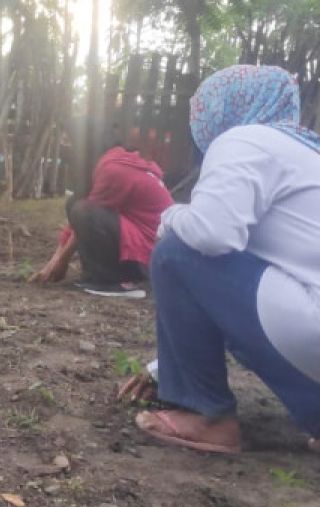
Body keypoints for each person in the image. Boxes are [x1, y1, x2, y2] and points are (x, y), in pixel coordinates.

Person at [118, 65, 320, 455]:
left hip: (310, 325)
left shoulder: (243, 139)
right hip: (306, 325)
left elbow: (212, 235)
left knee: (178, 251)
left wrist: (170, 217)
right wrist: (165, 366)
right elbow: (239, 291)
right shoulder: (305, 150)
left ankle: (207, 417)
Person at [30, 140, 172, 297]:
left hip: (149, 258)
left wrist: (62, 261)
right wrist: (54, 261)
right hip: (144, 245)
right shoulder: (117, 162)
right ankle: (95, 275)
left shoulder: (112, 171)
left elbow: (86, 218)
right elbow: (75, 224)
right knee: (77, 203)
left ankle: (113, 282)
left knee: (85, 212)